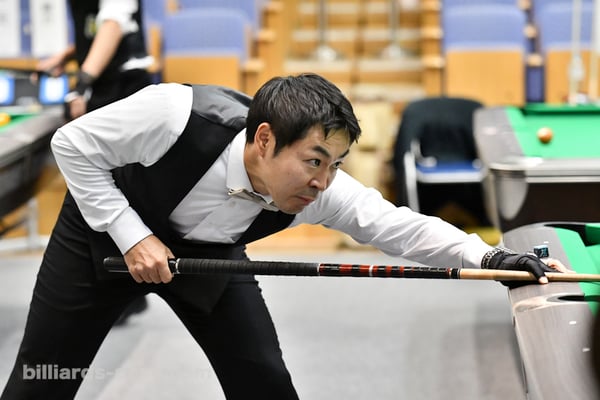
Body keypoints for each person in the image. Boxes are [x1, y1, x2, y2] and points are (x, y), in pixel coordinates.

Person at [1, 74, 567, 400]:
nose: (323, 181)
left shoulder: (322, 190)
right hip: (101, 236)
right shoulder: (174, 114)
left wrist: (492, 256)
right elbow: (71, 144)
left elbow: (399, 226)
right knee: (43, 380)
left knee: (264, 382)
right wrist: (130, 235)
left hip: (210, 257)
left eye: (336, 164)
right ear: (265, 139)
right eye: (314, 160)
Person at [36, 0, 152, 322]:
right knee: (103, 195)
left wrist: (82, 84)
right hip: (106, 87)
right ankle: (121, 295)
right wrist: (67, 56)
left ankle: (125, 295)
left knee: (118, 194)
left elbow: (113, 26)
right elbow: (96, 27)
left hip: (124, 89)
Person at [37, 0, 152, 121]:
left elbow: (113, 26)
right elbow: (94, 34)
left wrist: (81, 86)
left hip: (124, 86)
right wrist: (64, 57)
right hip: (100, 83)